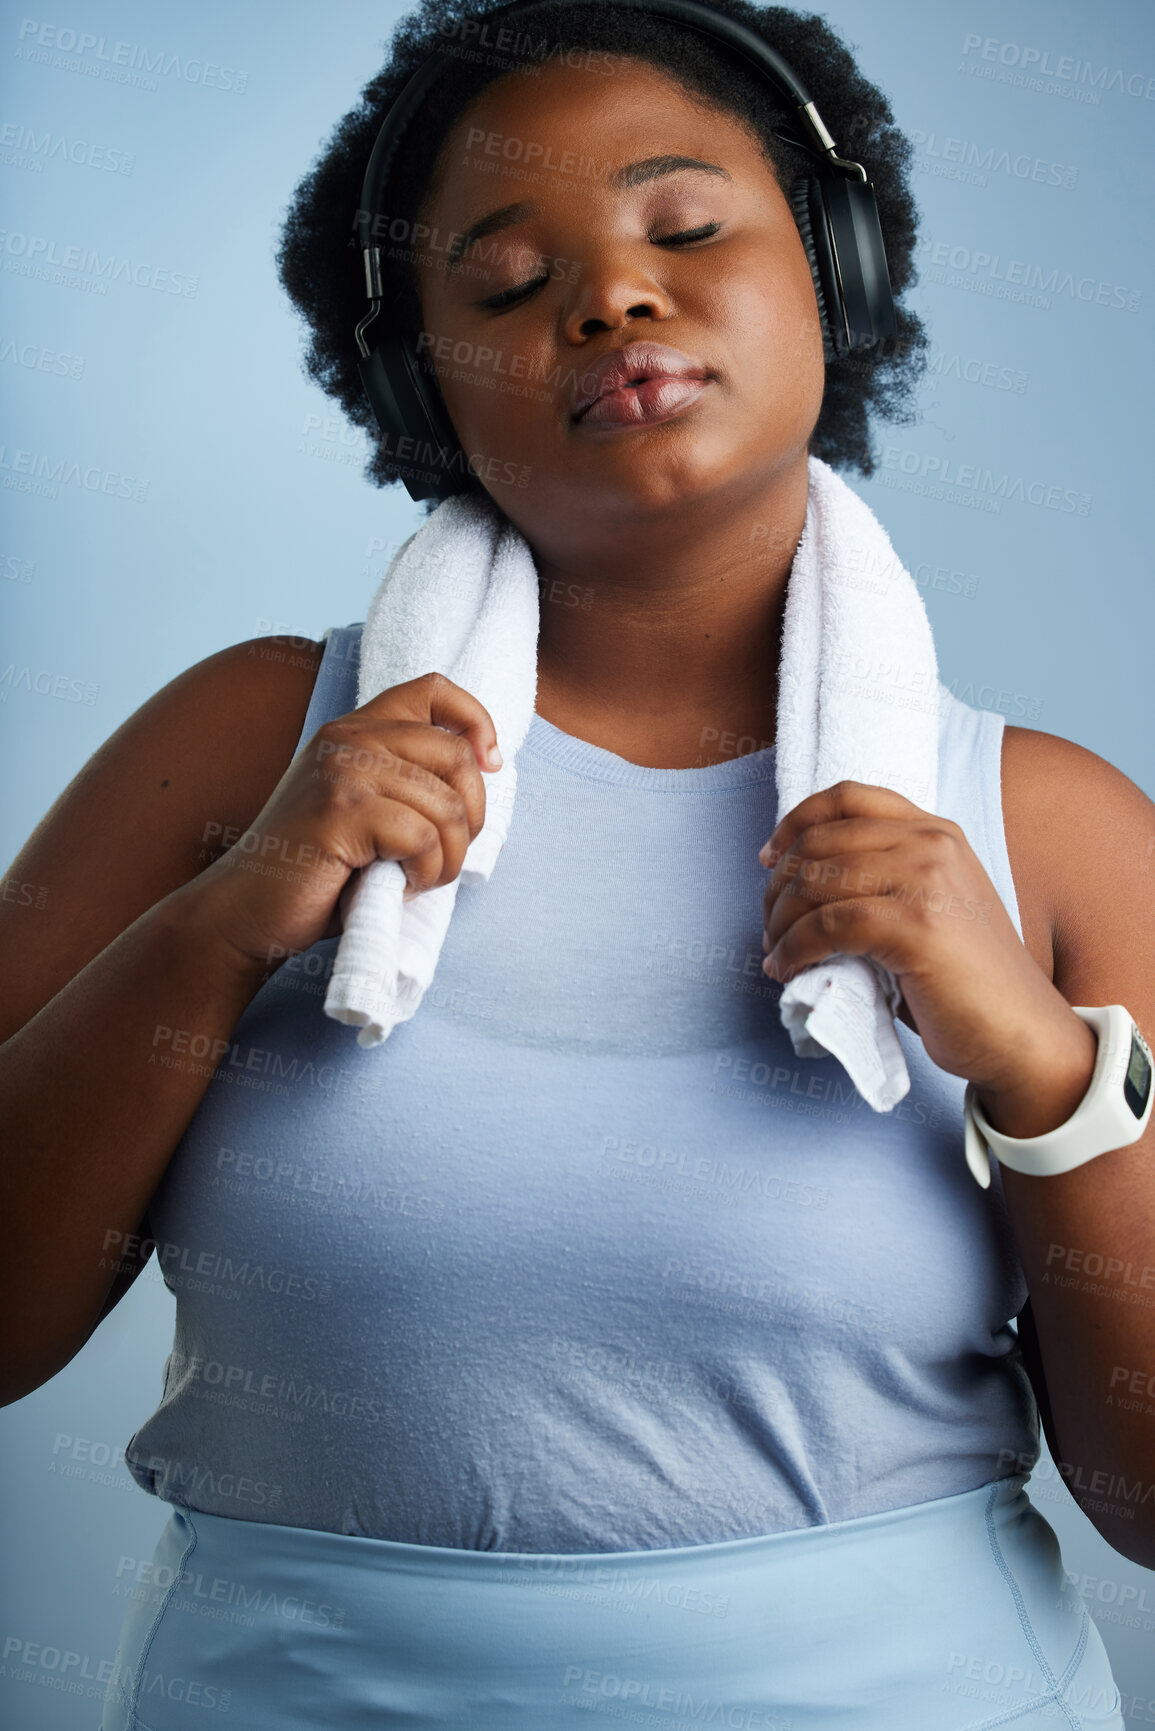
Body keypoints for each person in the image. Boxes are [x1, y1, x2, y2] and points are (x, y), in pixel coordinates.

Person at [1, 0, 1151, 1725]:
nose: (613, 298)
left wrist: (1048, 1074)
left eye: (687, 230)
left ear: (829, 267)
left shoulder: (1049, 827)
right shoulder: (247, 747)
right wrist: (223, 922)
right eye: (508, 283)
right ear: (418, 380)